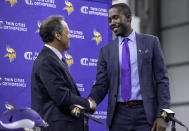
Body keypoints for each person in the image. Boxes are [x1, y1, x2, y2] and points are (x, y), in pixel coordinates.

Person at [88, 3, 170, 131]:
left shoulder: (151, 42)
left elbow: (162, 81)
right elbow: (101, 84)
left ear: (128, 17)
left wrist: (163, 116)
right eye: (109, 20)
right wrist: (90, 101)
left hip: (146, 114)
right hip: (118, 116)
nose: (112, 23)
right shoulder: (106, 51)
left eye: (115, 17)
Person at [31, 16, 95, 131]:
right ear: (58, 35)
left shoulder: (52, 59)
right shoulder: (47, 60)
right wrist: (88, 104)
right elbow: (62, 97)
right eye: (67, 33)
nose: (70, 36)